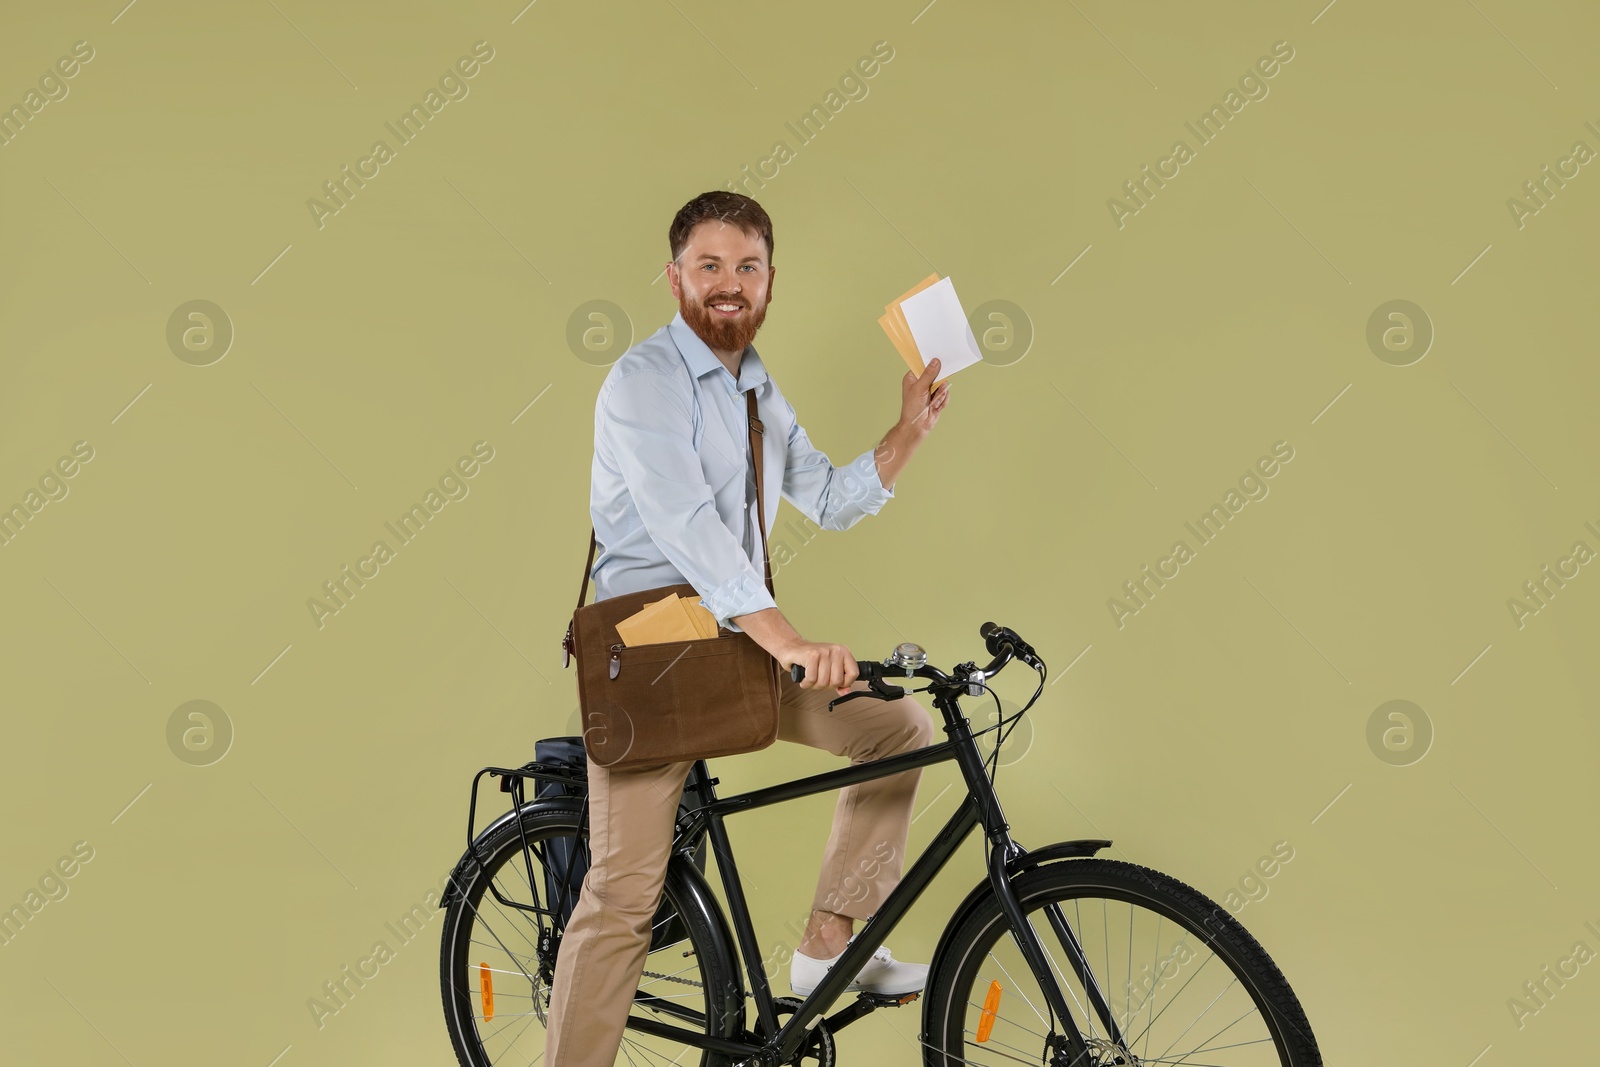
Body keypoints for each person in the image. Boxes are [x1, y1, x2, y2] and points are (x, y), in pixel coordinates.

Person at [545, 190, 951, 1064]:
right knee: (623, 898)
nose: (729, 284)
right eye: (710, 266)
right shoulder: (643, 383)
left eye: (747, 267)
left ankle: (827, 942)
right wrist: (794, 645)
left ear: (770, 282)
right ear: (675, 277)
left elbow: (833, 500)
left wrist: (908, 430)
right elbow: (692, 534)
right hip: (651, 658)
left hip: (735, 643)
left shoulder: (757, 388)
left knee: (899, 727)